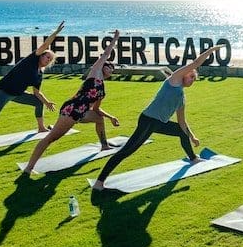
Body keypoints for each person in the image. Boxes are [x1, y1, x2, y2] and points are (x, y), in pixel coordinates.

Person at [91, 44, 225, 190]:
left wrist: (192, 136)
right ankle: (99, 183)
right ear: (184, 74)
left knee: (181, 131)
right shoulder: (173, 80)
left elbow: (182, 122)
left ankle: (193, 158)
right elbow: (196, 63)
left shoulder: (181, 97)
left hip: (159, 123)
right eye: (191, 76)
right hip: (148, 120)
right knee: (127, 151)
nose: (193, 80)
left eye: (195, 78)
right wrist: (212, 50)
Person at [21, 30, 121, 174]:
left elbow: (96, 110)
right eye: (108, 65)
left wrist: (110, 117)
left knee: (99, 119)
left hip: (83, 112)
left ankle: (104, 145)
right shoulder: (95, 73)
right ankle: (29, 167)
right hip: (72, 110)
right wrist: (116, 38)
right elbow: (106, 54)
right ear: (102, 66)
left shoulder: (102, 89)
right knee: (51, 138)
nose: (110, 68)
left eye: (113, 68)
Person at [0, 21, 65, 151]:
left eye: (50, 59)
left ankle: (41, 127)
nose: (48, 60)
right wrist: (55, 33)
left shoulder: (39, 74)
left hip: (17, 94)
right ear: (41, 55)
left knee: (38, 102)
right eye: (47, 57)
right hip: (4, 91)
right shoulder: (32, 59)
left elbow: (37, 93)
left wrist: (47, 103)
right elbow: (45, 44)